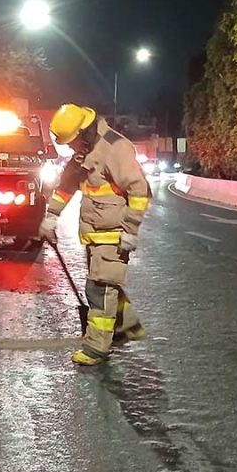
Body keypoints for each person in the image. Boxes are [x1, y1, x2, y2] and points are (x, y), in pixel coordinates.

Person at [40, 103, 152, 366]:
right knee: (105, 287)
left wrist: (130, 231)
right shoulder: (85, 150)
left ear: (84, 132)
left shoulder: (114, 147)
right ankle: (121, 329)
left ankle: (97, 348)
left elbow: (139, 190)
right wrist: (51, 216)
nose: (70, 148)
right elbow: (67, 184)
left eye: (72, 142)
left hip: (113, 236)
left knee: (99, 290)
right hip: (95, 235)